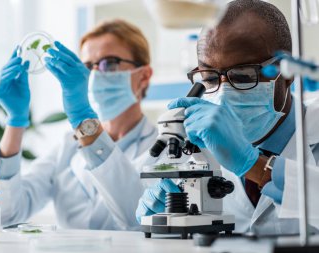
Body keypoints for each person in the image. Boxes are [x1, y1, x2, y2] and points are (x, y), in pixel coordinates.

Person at [136, 0, 319, 235]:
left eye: (243, 76)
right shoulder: (199, 147)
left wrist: (254, 166)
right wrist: (162, 220)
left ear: (286, 74)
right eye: (209, 78)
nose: (223, 94)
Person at [0, 19, 155, 230]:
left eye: (108, 63)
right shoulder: (67, 148)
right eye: (87, 67)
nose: (94, 75)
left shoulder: (166, 149)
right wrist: (15, 122)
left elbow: (139, 219)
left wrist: (83, 118)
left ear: (144, 76)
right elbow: (3, 214)